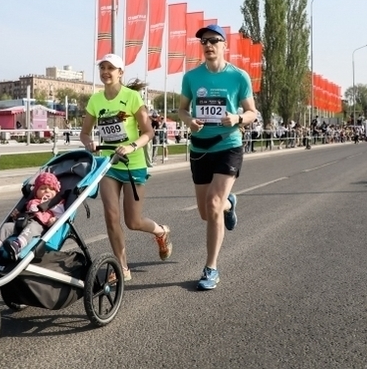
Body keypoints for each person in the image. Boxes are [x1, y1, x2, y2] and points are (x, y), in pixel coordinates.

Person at [79, 53, 172, 282]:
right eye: (102, 68)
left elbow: (149, 132)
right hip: (109, 164)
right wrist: (88, 142)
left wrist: (131, 146)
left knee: (133, 222)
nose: (105, 72)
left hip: (132, 164)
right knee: (111, 216)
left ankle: (160, 231)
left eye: (111, 68)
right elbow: (84, 133)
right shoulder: (95, 100)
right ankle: (122, 267)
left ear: (120, 73)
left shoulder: (132, 98)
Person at [178, 24, 257, 290]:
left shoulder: (238, 76)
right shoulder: (191, 77)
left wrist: (237, 117)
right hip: (200, 148)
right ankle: (229, 204)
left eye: (214, 41)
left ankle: (210, 268)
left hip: (228, 144)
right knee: (206, 212)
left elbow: (252, 112)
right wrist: (190, 122)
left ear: (225, 45)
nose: (208, 45)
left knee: (212, 204)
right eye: (204, 42)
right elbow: (182, 109)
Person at [0, 172, 65, 262]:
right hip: (23, 223)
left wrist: (54, 220)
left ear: (56, 191)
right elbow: (26, 212)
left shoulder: (55, 203)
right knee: (7, 227)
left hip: (39, 226)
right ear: (36, 191)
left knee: (31, 228)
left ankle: (17, 246)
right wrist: (17, 216)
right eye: (42, 188)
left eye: (51, 189)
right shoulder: (32, 201)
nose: (47, 191)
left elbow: (60, 215)